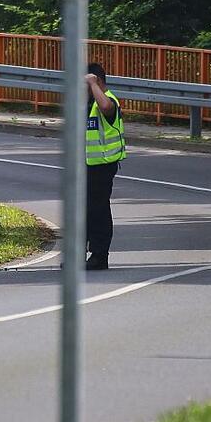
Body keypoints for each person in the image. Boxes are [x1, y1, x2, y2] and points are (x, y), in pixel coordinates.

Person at [84, 62, 126, 270]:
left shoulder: (108, 101)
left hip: (102, 166)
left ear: (97, 81)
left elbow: (107, 107)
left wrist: (93, 84)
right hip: (86, 166)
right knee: (82, 211)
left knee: (97, 210)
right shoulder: (89, 104)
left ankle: (99, 255)